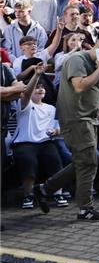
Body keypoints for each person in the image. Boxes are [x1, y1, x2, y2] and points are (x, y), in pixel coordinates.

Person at [33, 36, 99, 221]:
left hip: (89, 118)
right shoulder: (77, 60)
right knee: (88, 162)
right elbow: (79, 86)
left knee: (84, 161)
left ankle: (44, 189)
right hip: (75, 118)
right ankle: (85, 208)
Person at [10, 64, 68, 209]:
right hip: (25, 142)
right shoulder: (24, 104)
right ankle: (28, 195)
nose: (40, 89)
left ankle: (57, 193)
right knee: (27, 161)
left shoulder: (51, 108)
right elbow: (27, 93)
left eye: (42, 87)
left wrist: (56, 132)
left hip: (45, 142)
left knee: (55, 160)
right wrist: (36, 75)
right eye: (37, 87)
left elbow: (58, 128)